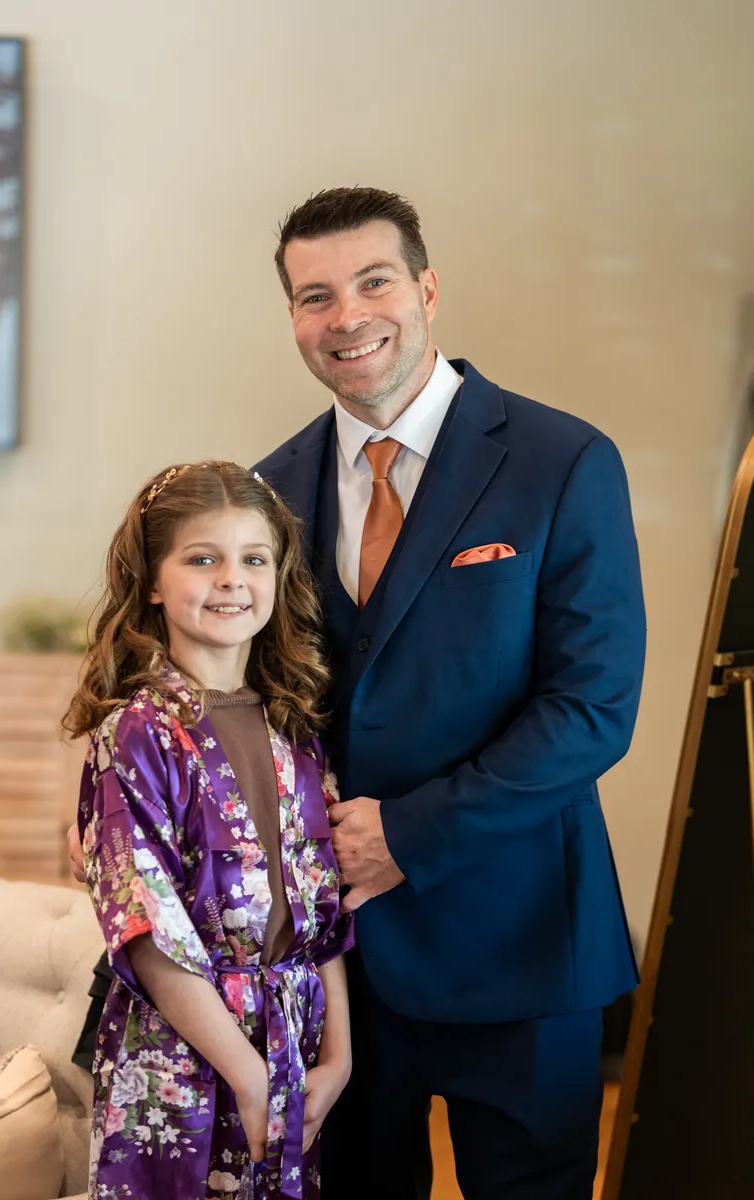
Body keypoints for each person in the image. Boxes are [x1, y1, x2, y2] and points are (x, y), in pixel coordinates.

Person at [71, 186, 646, 1199]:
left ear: (425, 287)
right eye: (313, 296)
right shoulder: (268, 490)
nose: (347, 317)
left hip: (519, 955)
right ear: (292, 317)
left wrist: (408, 835)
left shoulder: (562, 462)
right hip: (336, 985)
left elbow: (591, 707)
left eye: (372, 281)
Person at [62, 461, 353, 1200]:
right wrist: (247, 1077)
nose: (231, 579)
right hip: (179, 1057)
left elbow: (325, 917)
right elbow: (147, 931)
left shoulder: (298, 726)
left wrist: (339, 1057)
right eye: (202, 559)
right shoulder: (132, 735)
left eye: (254, 559)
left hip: (295, 1045)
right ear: (153, 581)